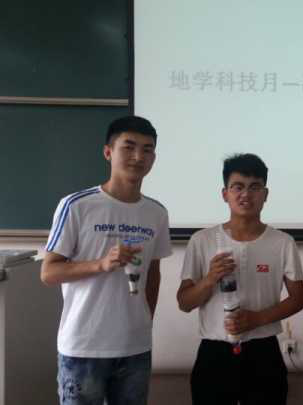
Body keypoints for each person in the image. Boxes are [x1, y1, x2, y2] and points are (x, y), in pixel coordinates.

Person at [41, 116, 172, 405]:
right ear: (108, 152)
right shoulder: (77, 205)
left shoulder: (156, 213)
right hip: (84, 348)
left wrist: (145, 321)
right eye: (129, 147)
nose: (138, 157)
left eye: (147, 149)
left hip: (135, 347)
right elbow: (48, 272)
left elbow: (153, 274)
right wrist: (100, 264)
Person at [177, 153, 303, 405]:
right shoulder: (202, 240)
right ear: (225, 194)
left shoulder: (282, 242)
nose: (246, 194)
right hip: (214, 352)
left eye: (255, 187)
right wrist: (209, 278)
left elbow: (298, 299)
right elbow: (184, 302)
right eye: (238, 187)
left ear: (265, 194)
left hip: (263, 351)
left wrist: (257, 319)